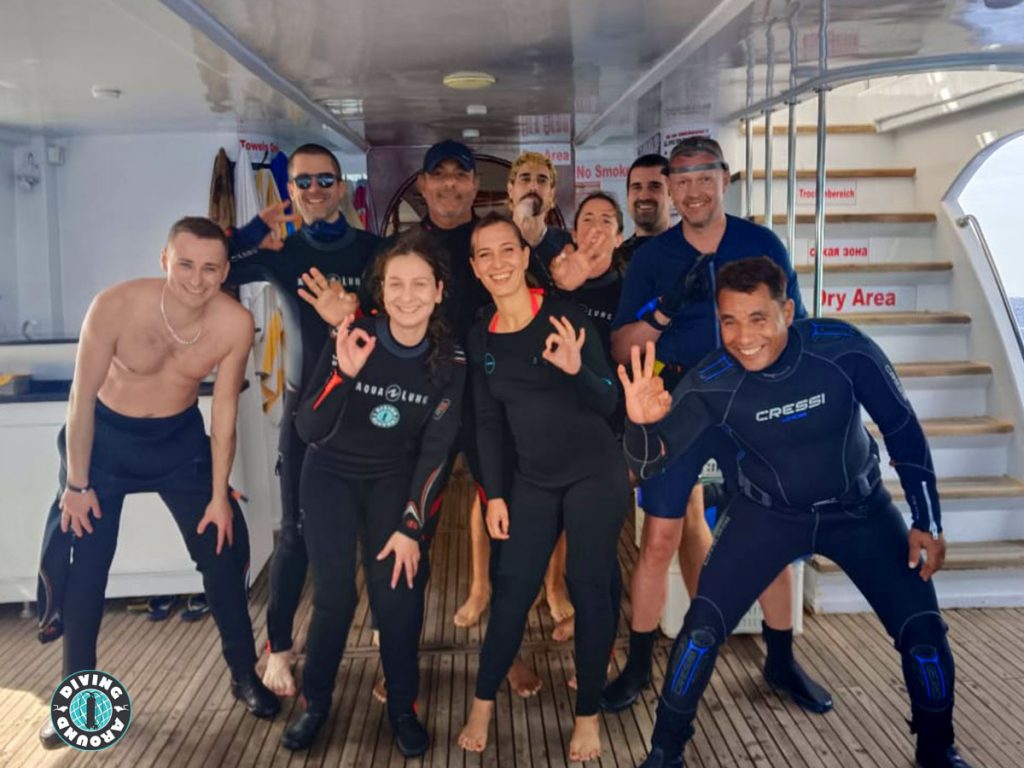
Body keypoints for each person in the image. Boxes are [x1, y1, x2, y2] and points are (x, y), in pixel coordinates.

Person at [619, 256, 970, 768]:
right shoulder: (713, 379)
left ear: (786, 310)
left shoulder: (842, 348)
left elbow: (901, 427)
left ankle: (937, 751)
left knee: (923, 634)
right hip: (768, 515)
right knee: (700, 632)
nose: (743, 337)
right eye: (729, 321)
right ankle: (664, 752)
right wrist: (640, 423)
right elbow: (646, 464)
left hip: (861, 513)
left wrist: (927, 519)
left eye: (758, 318)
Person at [603, 137, 831, 715]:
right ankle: (637, 666)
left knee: (772, 536)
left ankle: (780, 661)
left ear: (725, 180)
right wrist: (663, 311)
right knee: (658, 538)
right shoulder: (653, 258)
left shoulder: (761, 244)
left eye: (705, 176)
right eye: (681, 179)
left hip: (752, 402)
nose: (693, 189)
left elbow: (794, 329)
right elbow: (621, 345)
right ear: (671, 189)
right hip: (679, 403)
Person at [35, 217, 278, 749]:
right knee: (85, 573)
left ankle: (244, 676)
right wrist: (76, 485)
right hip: (104, 445)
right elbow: (81, 397)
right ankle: (75, 701)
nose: (197, 279)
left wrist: (219, 496)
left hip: (178, 442)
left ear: (224, 271)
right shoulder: (116, 305)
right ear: (165, 259)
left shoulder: (235, 323)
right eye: (186, 264)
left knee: (222, 549)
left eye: (211, 268)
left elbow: (225, 417)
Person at [280, 232, 465, 755]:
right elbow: (309, 428)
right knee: (335, 595)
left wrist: (413, 527)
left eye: (419, 284)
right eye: (396, 284)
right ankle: (315, 703)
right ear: (380, 292)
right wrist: (342, 372)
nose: (407, 296)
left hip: (392, 480)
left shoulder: (450, 361)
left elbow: (437, 453)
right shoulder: (353, 334)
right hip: (329, 476)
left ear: (438, 291)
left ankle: (404, 707)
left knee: (398, 598)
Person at [457, 214, 628, 762]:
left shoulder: (565, 315)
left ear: (525, 256)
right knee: (511, 590)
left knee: (587, 581)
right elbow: (485, 419)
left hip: (592, 471)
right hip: (531, 477)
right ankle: (482, 702)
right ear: (475, 268)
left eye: (507, 250)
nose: (498, 262)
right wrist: (495, 494)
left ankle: (588, 715)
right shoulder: (480, 332)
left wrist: (578, 369)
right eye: (485, 254)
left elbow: (610, 404)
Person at [227, 142, 381, 696]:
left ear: (341, 187)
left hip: (366, 404)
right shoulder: (281, 252)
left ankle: (387, 631)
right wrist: (246, 236)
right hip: (304, 407)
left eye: (324, 180)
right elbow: (198, 268)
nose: (314, 190)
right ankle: (281, 649)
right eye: (303, 182)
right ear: (289, 191)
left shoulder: (374, 251)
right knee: (294, 533)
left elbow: (408, 314)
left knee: (376, 527)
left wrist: (353, 312)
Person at [618, 153, 672, 264]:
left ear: (672, 195)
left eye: (655, 187)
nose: (644, 196)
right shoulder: (614, 261)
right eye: (636, 187)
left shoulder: (692, 256)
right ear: (628, 196)